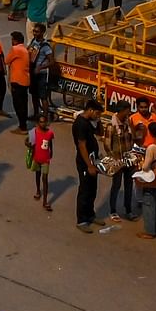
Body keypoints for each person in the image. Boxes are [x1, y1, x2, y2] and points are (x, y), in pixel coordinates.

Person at [72, 98, 103, 231]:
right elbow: (82, 145)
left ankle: (90, 214)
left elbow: (100, 133)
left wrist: (98, 120)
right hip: (85, 162)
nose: (98, 116)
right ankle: (81, 220)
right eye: (97, 113)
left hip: (93, 159)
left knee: (92, 189)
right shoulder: (81, 124)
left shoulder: (90, 122)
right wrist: (89, 165)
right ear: (90, 110)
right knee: (85, 190)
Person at [29, 112, 55, 210]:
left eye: (44, 122)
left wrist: (51, 152)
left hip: (45, 159)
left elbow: (50, 143)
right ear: (37, 123)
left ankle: (45, 201)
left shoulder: (50, 133)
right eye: (41, 122)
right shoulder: (34, 132)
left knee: (45, 178)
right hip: (37, 158)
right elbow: (29, 142)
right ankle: (38, 191)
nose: (43, 124)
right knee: (37, 175)